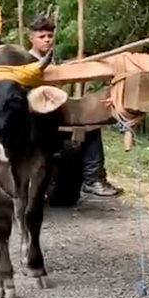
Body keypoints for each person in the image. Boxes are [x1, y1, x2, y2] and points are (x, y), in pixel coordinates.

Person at [27, 14, 121, 198]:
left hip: (54, 115)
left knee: (91, 124)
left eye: (49, 36)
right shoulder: (23, 60)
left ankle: (93, 179)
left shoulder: (54, 61)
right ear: (31, 38)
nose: (46, 40)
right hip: (31, 119)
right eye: (41, 36)